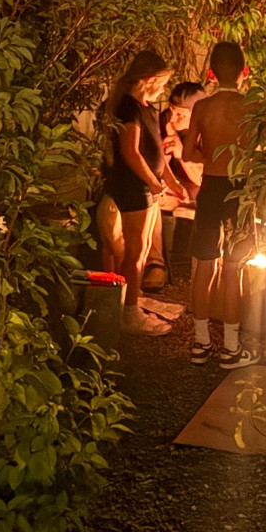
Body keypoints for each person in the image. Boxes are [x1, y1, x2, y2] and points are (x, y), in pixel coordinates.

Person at [181, 40, 256, 367]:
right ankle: (231, 348)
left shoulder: (202, 108)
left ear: (210, 74)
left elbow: (186, 153)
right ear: (245, 72)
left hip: (210, 187)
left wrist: (210, 157)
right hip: (239, 190)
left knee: (205, 265)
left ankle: (200, 344)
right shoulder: (254, 107)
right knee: (233, 269)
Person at [103, 49, 187, 334]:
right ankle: (127, 312)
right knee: (135, 251)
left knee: (142, 249)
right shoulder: (128, 107)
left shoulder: (147, 108)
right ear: (150, 79)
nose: (163, 90)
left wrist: (171, 182)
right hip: (133, 186)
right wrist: (152, 181)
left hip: (147, 187)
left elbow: (157, 153)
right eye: (162, 83)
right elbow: (131, 151)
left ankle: (133, 301)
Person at [142, 79, 206, 291]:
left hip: (200, 191)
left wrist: (182, 154)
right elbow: (157, 165)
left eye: (181, 114)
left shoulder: (207, 130)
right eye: (172, 111)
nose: (174, 117)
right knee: (150, 200)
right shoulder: (163, 123)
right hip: (173, 190)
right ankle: (156, 262)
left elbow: (203, 177)